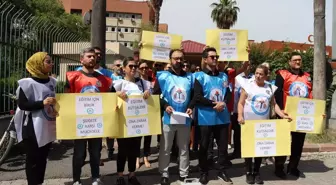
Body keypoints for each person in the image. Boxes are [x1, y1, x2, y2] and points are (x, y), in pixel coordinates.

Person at [65, 47, 114, 185]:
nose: (92, 58)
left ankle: (96, 178)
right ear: (82, 59)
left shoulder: (104, 79)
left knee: (95, 153)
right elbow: (66, 99)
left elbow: (111, 99)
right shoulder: (72, 76)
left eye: (94, 56)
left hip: (96, 123)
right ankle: (76, 180)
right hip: (80, 123)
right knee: (79, 154)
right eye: (89, 56)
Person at [237, 65, 291, 184]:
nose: (258, 76)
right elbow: (240, 103)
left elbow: (274, 104)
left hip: (262, 124)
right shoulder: (247, 86)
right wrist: (240, 116)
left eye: (261, 74)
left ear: (266, 76)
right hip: (248, 123)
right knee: (248, 149)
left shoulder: (270, 88)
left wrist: (282, 115)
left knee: (258, 149)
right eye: (256, 73)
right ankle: (248, 172)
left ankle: (256, 172)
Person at [14, 52, 57, 185]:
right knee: (33, 158)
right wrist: (42, 103)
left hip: (47, 124)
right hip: (32, 126)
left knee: (43, 157)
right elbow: (22, 104)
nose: (52, 64)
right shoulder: (27, 84)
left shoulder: (52, 81)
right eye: (48, 62)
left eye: (51, 61)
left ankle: (39, 182)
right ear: (38, 64)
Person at [154, 49, 194, 185]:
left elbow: (195, 96)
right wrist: (165, 106)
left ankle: (184, 173)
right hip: (168, 117)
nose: (178, 61)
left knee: (184, 147)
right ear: (170, 59)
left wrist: (191, 106)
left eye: (180, 58)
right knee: (166, 147)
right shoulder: (162, 76)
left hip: (184, 117)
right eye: (175, 58)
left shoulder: (190, 77)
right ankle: (164, 173)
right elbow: (156, 95)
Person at [193, 47, 232, 184]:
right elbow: (197, 97)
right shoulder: (198, 76)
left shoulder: (224, 76)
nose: (215, 59)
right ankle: (204, 172)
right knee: (203, 146)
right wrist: (214, 104)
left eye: (216, 57)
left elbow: (228, 93)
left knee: (222, 147)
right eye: (212, 57)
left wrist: (223, 103)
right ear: (205, 59)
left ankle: (222, 170)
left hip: (222, 117)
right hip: (205, 117)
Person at [274, 52, 313, 179]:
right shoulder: (282, 74)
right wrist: (280, 111)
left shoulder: (307, 76)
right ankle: (279, 168)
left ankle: (293, 167)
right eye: (295, 60)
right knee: (282, 142)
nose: (297, 62)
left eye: (299, 60)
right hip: (285, 114)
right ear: (290, 62)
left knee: (298, 143)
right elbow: (277, 93)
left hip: (302, 116)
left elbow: (310, 95)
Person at [113, 57, 151, 185]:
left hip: (137, 123)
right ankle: (120, 176)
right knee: (123, 151)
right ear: (124, 68)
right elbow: (108, 99)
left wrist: (148, 93)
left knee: (134, 150)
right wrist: (117, 94)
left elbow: (151, 100)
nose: (134, 68)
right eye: (131, 66)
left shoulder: (143, 83)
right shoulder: (118, 83)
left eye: (135, 66)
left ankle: (132, 174)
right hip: (123, 122)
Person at [136, 61, 153, 169]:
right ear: (138, 69)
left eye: (146, 67)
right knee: (138, 137)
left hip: (150, 112)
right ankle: (137, 158)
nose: (144, 69)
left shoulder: (153, 81)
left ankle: (146, 157)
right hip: (138, 112)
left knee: (148, 137)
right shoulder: (135, 81)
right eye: (142, 68)